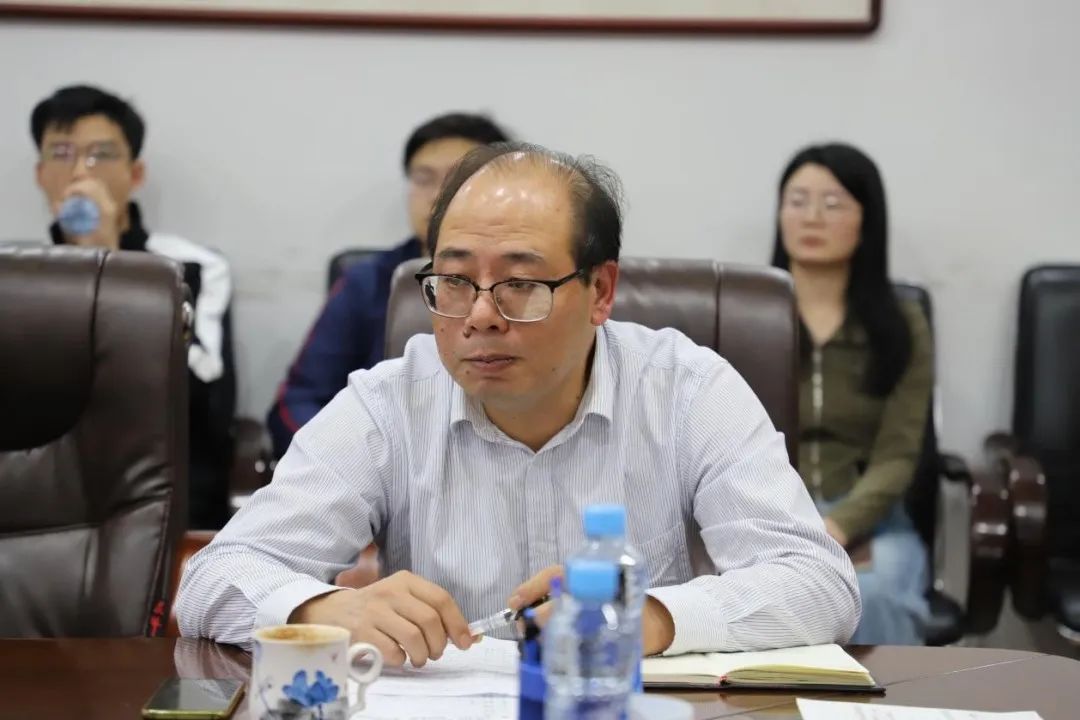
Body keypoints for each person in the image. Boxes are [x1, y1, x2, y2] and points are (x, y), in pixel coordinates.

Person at [177, 142, 860, 666]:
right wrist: (321, 609)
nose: (480, 315)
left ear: (600, 292)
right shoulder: (390, 402)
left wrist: (646, 617)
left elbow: (819, 583)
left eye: (521, 285)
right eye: (454, 280)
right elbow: (211, 579)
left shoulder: (687, 391)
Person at [32, 84, 236, 529]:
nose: (80, 171)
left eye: (100, 155)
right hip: (40, 496)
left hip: (162, 494)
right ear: (40, 173)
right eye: (61, 154)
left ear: (135, 174)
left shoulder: (192, 268)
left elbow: (206, 407)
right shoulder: (17, 278)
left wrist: (109, 259)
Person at [266, 112, 510, 459]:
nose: (437, 196)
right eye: (423, 179)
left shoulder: (529, 286)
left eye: (457, 179)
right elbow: (300, 400)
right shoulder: (368, 282)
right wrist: (354, 464)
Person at [771, 142, 932, 645]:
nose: (812, 217)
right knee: (765, 598)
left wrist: (839, 525)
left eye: (833, 203)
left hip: (871, 519)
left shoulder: (902, 324)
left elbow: (898, 454)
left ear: (867, 219)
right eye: (798, 201)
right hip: (770, 514)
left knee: (874, 594)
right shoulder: (749, 315)